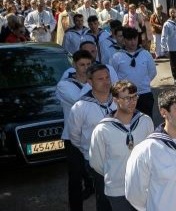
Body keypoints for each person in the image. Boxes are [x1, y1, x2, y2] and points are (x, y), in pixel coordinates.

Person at [89, 81, 154, 211]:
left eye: (135, 96)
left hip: (142, 187)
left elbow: (152, 153)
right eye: (126, 98)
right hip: (117, 190)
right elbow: (97, 163)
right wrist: (115, 173)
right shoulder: (102, 129)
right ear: (115, 100)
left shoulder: (145, 121)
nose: (132, 101)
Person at [68, 64, 118, 211]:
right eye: (100, 79)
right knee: (104, 199)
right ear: (90, 82)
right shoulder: (80, 106)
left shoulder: (119, 101)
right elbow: (75, 136)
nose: (106, 81)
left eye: (107, 77)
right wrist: (88, 151)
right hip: (97, 161)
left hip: (121, 158)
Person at [57, 50, 95, 211]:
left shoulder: (95, 81)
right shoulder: (64, 85)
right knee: (75, 178)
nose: (85, 68)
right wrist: (91, 82)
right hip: (73, 138)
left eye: (88, 64)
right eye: (82, 65)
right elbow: (80, 100)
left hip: (93, 135)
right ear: (74, 65)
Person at [110, 27, 157, 118]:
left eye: (135, 39)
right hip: (125, 96)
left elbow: (152, 71)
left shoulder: (145, 54)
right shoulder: (117, 56)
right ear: (124, 40)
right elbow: (113, 75)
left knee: (146, 119)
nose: (133, 42)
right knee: (127, 120)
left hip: (144, 93)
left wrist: (144, 82)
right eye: (129, 39)